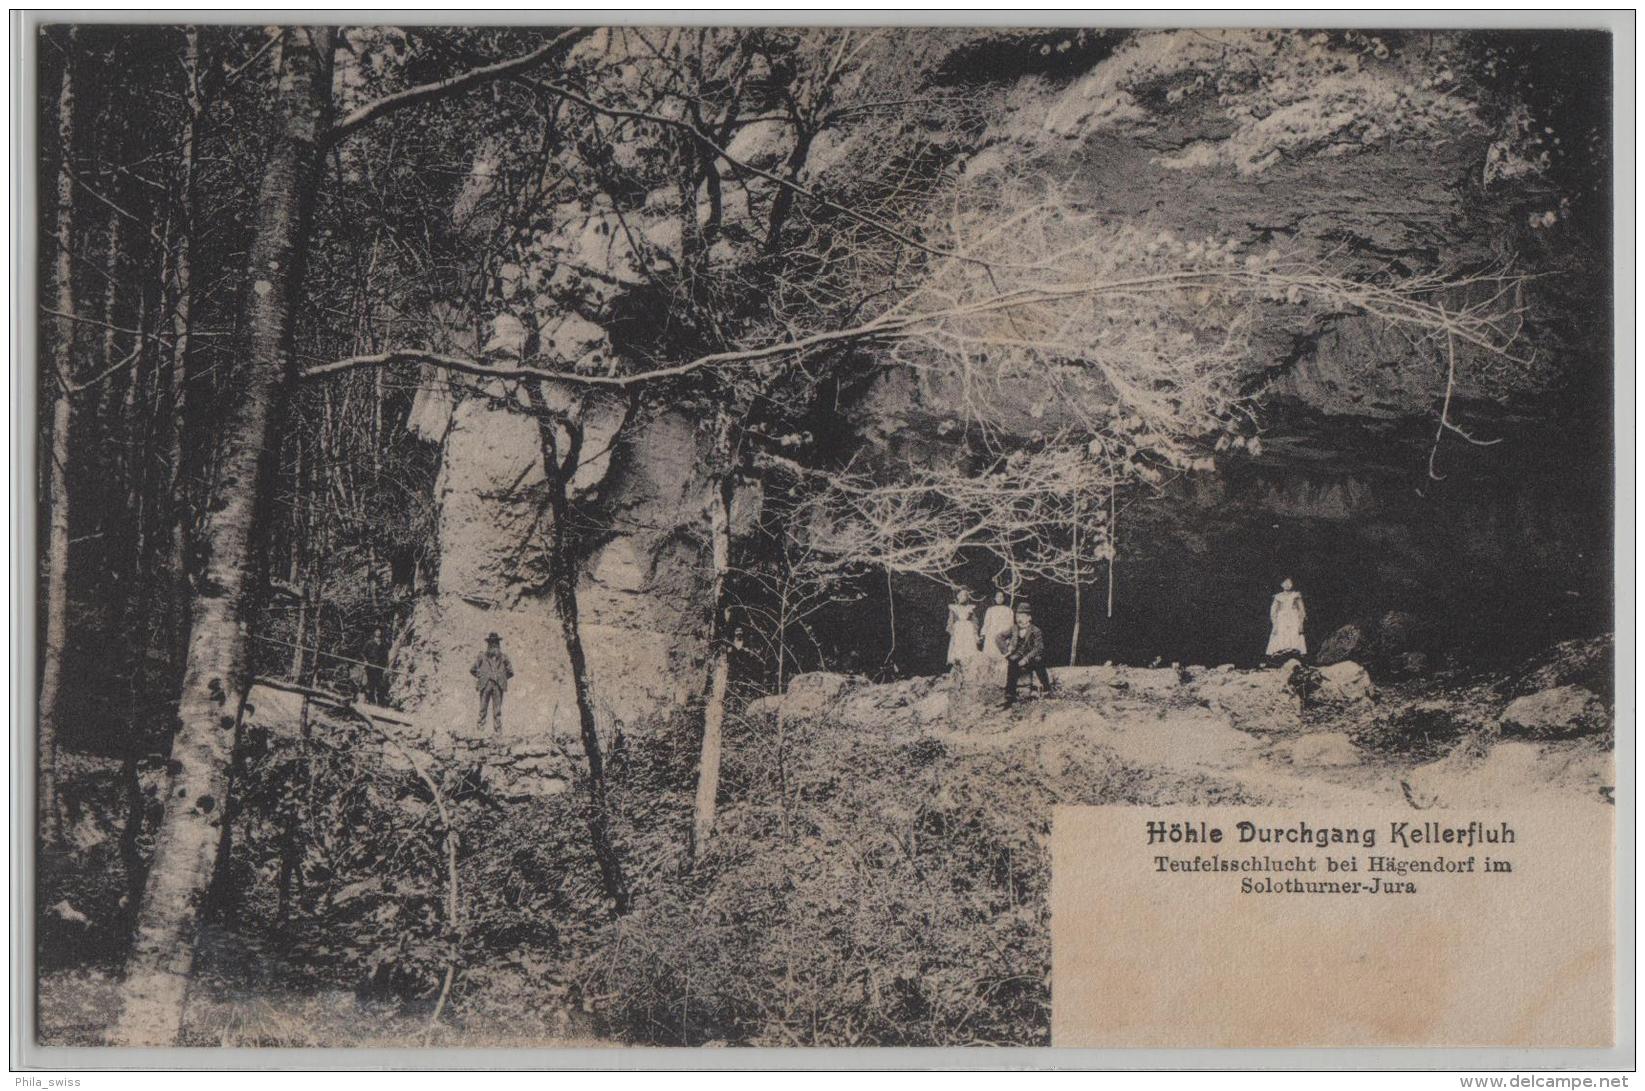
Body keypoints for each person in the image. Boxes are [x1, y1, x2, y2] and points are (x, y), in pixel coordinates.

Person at [1002, 605, 1054, 707]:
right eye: (1017, 617)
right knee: (1011, 663)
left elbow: (1038, 648)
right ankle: (1010, 694)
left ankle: (1047, 689)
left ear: (1029, 617)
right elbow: (999, 637)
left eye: (1022, 616)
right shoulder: (1014, 628)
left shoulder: (1036, 630)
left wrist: (1026, 659)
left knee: (1039, 663)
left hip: (1031, 657)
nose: (1019, 619)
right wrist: (1006, 652)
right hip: (1018, 656)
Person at [470, 632, 514, 732]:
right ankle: (480, 730)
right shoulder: (481, 656)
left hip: (498, 686)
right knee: (482, 709)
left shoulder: (504, 658)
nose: (493, 644)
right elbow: (473, 670)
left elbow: (511, 672)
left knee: (497, 710)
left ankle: (498, 731)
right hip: (485, 685)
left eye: (496, 642)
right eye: (491, 642)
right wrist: (481, 676)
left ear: (498, 644)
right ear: (488, 644)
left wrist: (501, 678)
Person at [1266, 577, 1307, 662]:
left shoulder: (1296, 595)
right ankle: (1281, 658)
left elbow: (1301, 610)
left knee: (1294, 634)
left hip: (1293, 618)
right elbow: (1273, 611)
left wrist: (1301, 623)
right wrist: (1275, 623)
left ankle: (1294, 656)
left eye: (1289, 582)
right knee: (1281, 634)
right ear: (1281, 584)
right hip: (1282, 619)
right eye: (1285, 583)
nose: (1287, 585)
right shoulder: (1278, 597)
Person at [946, 588, 982, 670]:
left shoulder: (970, 608)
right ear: (958, 597)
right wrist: (952, 631)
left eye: (965, 596)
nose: (963, 597)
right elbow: (951, 621)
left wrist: (975, 632)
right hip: (958, 629)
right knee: (958, 648)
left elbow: (974, 621)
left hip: (968, 629)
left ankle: (969, 668)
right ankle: (958, 668)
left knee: (969, 647)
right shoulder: (954, 608)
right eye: (961, 595)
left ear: (967, 598)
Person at [980, 590, 1016, 661]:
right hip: (991, 634)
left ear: (1004, 598)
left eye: (1001, 597)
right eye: (997, 597)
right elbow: (986, 623)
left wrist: (1008, 637)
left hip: (1002, 634)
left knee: (1001, 655)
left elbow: (1010, 624)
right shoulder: (990, 610)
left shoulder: (1008, 610)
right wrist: (983, 634)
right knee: (990, 655)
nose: (999, 598)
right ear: (995, 598)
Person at [364, 625, 391, 706]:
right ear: (374, 632)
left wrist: (386, 666)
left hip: (379, 667)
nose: (378, 632)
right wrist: (365, 661)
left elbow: (386, 656)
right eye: (377, 631)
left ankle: (380, 702)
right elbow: (363, 653)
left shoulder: (383, 644)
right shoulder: (369, 643)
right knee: (370, 683)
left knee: (379, 684)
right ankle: (369, 699)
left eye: (380, 631)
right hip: (371, 666)